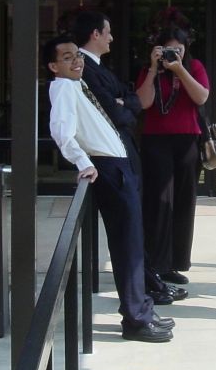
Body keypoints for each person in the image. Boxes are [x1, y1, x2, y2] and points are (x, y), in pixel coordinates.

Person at [44, 34, 175, 343]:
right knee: (127, 245)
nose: (75, 60)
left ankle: (141, 309)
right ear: (53, 66)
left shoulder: (76, 83)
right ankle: (136, 319)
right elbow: (61, 132)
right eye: (66, 57)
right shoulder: (62, 87)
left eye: (76, 54)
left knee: (133, 241)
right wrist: (81, 162)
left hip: (119, 164)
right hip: (108, 167)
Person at [72, 11, 188, 306]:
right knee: (127, 231)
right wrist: (125, 104)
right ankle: (137, 303)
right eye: (108, 32)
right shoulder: (84, 69)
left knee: (135, 228)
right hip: (111, 157)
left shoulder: (100, 68)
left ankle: (149, 285)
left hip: (125, 151)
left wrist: (126, 102)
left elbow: (130, 102)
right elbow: (118, 112)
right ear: (95, 34)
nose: (112, 37)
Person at [136, 24, 210, 287]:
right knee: (158, 202)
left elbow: (201, 97)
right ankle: (156, 262)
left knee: (182, 202)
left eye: (178, 50)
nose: (173, 54)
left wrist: (180, 70)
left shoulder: (195, 66)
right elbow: (143, 103)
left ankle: (175, 263)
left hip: (187, 140)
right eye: (168, 50)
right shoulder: (150, 69)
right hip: (155, 140)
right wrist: (154, 68)